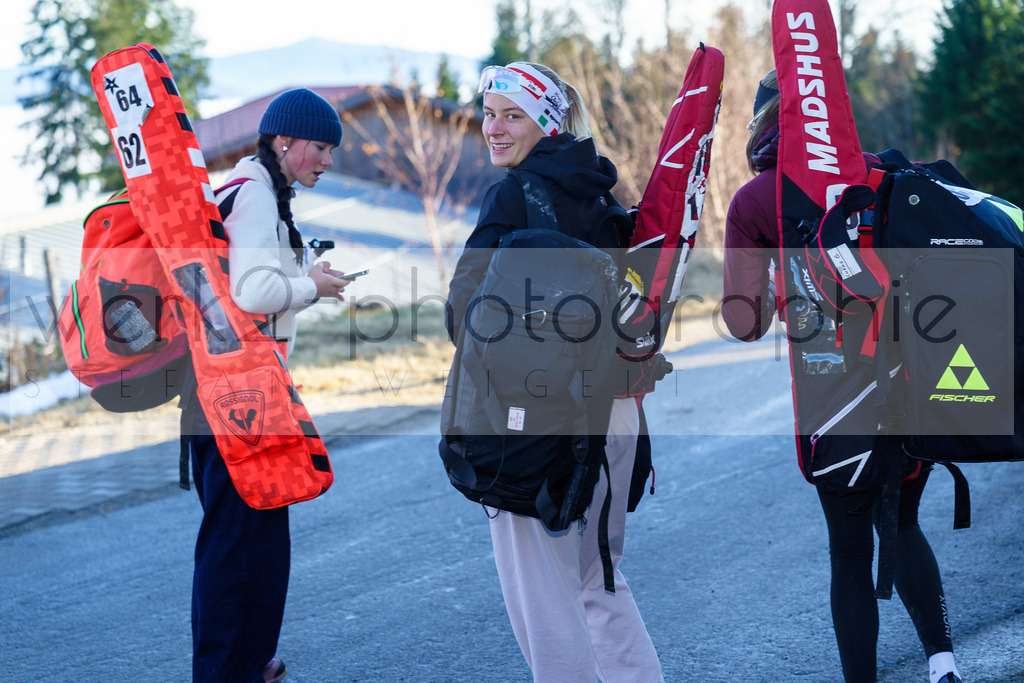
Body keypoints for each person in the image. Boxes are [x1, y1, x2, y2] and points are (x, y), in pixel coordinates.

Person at [721, 69, 963, 683]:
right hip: (911, 387)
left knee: (850, 550)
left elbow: (743, 323)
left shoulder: (757, 202)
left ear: (764, 121)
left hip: (833, 403)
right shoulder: (883, 174)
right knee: (902, 521)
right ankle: (943, 666)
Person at [445, 62, 663, 683]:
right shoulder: (602, 193)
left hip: (536, 419)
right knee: (601, 579)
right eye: (488, 113)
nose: (494, 127)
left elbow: (464, 310)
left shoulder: (514, 195)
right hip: (617, 415)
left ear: (547, 119)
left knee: (543, 598)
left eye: (512, 114)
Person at [180, 88, 352, 683]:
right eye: (320, 147)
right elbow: (254, 295)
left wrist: (304, 277)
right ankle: (225, 672)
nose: (327, 160)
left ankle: (246, 661)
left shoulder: (245, 187)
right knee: (238, 539)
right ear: (284, 141)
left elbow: (244, 285)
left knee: (250, 531)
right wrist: (313, 287)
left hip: (226, 389)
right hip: (237, 397)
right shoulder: (254, 195)